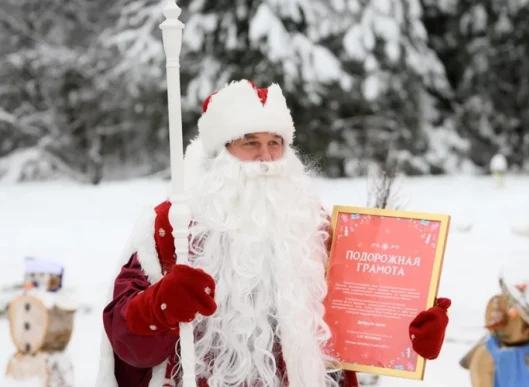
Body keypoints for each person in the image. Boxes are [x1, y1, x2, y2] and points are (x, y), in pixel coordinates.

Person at [95, 79, 452, 387]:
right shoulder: (171, 228)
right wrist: (158, 307)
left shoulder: (314, 228)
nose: (266, 158)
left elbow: (353, 325)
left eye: (275, 143)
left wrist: (407, 336)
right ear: (220, 154)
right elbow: (123, 338)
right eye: (250, 142)